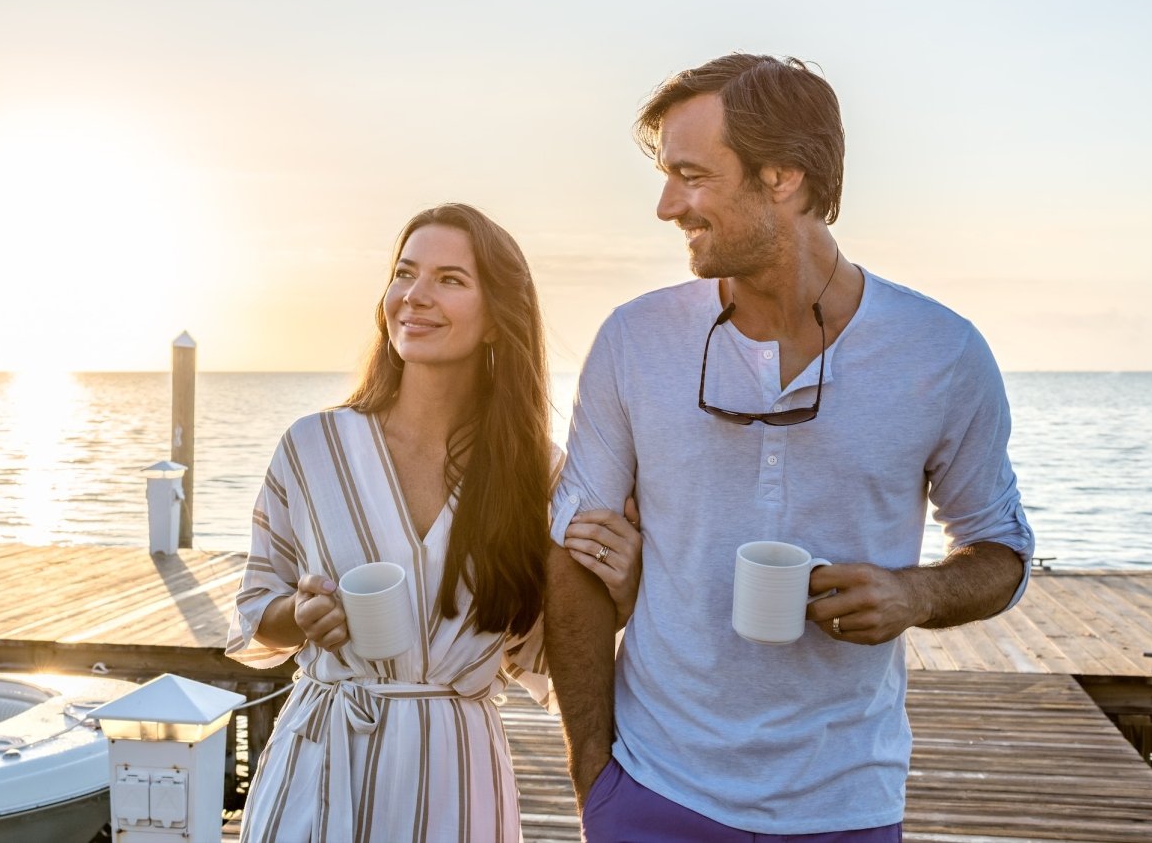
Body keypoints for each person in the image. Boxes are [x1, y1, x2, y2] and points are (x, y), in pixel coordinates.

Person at [545, 54, 1035, 840]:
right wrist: (594, 779)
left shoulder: (941, 354)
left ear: (784, 178)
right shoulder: (633, 340)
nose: (669, 205)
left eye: (692, 175)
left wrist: (915, 595)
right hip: (651, 790)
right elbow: (571, 555)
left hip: (845, 805)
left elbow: (1003, 552)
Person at [226, 202, 643, 842]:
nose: (415, 297)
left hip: (456, 776)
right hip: (322, 762)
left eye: (450, 279)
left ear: (498, 320)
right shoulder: (314, 447)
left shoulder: (537, 473)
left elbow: (537, 650)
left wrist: (621, 595)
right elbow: (258, 609)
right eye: (404, 273)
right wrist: (302, 616)